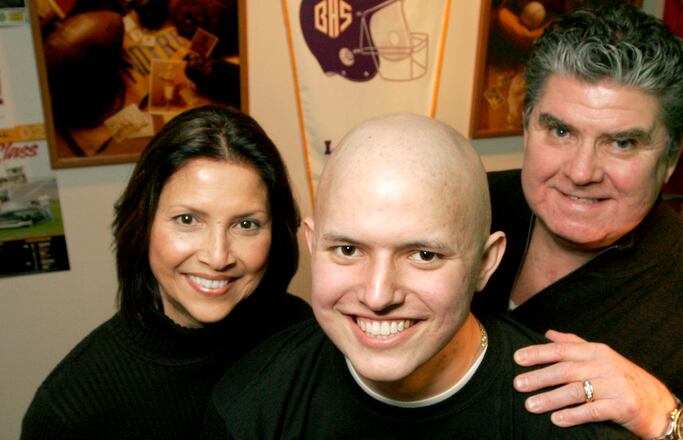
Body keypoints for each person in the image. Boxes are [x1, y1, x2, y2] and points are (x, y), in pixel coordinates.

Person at [203, 113, 634, 439]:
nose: (377, 296)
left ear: (486, 263)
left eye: (423, 255)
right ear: (314, 247)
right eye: (348, 250)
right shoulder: (250, 405)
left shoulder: (571, 417)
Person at [472, 3, 683, 439]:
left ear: (671, 158)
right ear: (527, 128)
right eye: (561, 132)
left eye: (622, 143)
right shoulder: (465, 205)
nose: (582, 171)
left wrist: (663, 416)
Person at [21, 105, 312, 439]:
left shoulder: (301, 337)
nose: (217, 257)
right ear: (142, 223)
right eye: (187, 220)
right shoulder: (71, 409)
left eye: (246, 224)